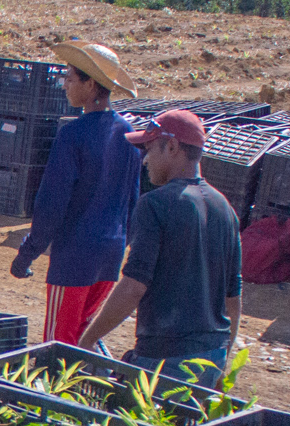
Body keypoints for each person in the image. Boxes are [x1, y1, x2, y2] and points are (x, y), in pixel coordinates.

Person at [78, 109, 241, 381]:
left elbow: (133, 287)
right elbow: (233, 299)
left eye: (150, 149)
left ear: (173, 146)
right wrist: (223, 360)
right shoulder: (225, 209)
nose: (144, 161)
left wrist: (87, 341)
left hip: (167, 359)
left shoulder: (156, 204)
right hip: (212, 355)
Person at [9, 40, 143, 344]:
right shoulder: (130, 135)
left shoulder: (72, 135)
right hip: (110, 256)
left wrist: (27, 254)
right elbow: (132, 204)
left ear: (91, 84)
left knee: (58, 347)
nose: (64, 85)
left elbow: (51, 204)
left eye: (70, 78)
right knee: (84, 339)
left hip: (74, 259)